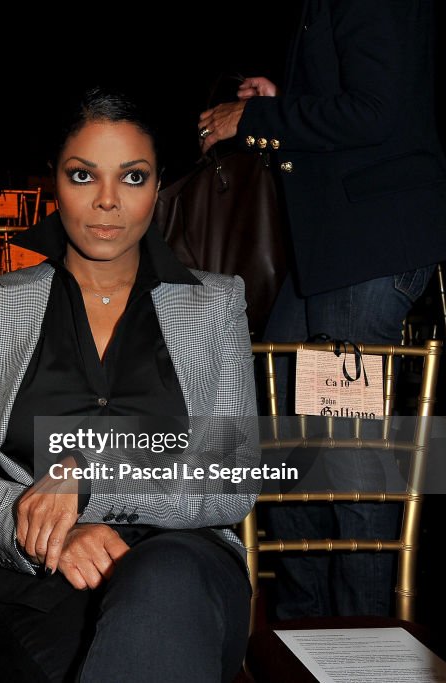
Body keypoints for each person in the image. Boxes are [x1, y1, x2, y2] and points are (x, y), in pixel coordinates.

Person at [0, 88, 258, 683]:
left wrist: (86, 478)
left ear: (158, 185)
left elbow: (233, 477)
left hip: (182, 558)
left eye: (132, 177)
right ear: (54, 183)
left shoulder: (216, 303)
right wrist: (37, 525)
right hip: (31, 575)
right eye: (84, 175)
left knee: (165, 590)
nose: (108, 201)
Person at [197, 0, 446, 619]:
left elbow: (377, 112)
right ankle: (302, 628)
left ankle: (358, 641)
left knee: (346, 452)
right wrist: (283, 97)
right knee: (288, 442)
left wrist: (258, 115)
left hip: (368, 246)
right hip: (334, 251)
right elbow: (357, 98)